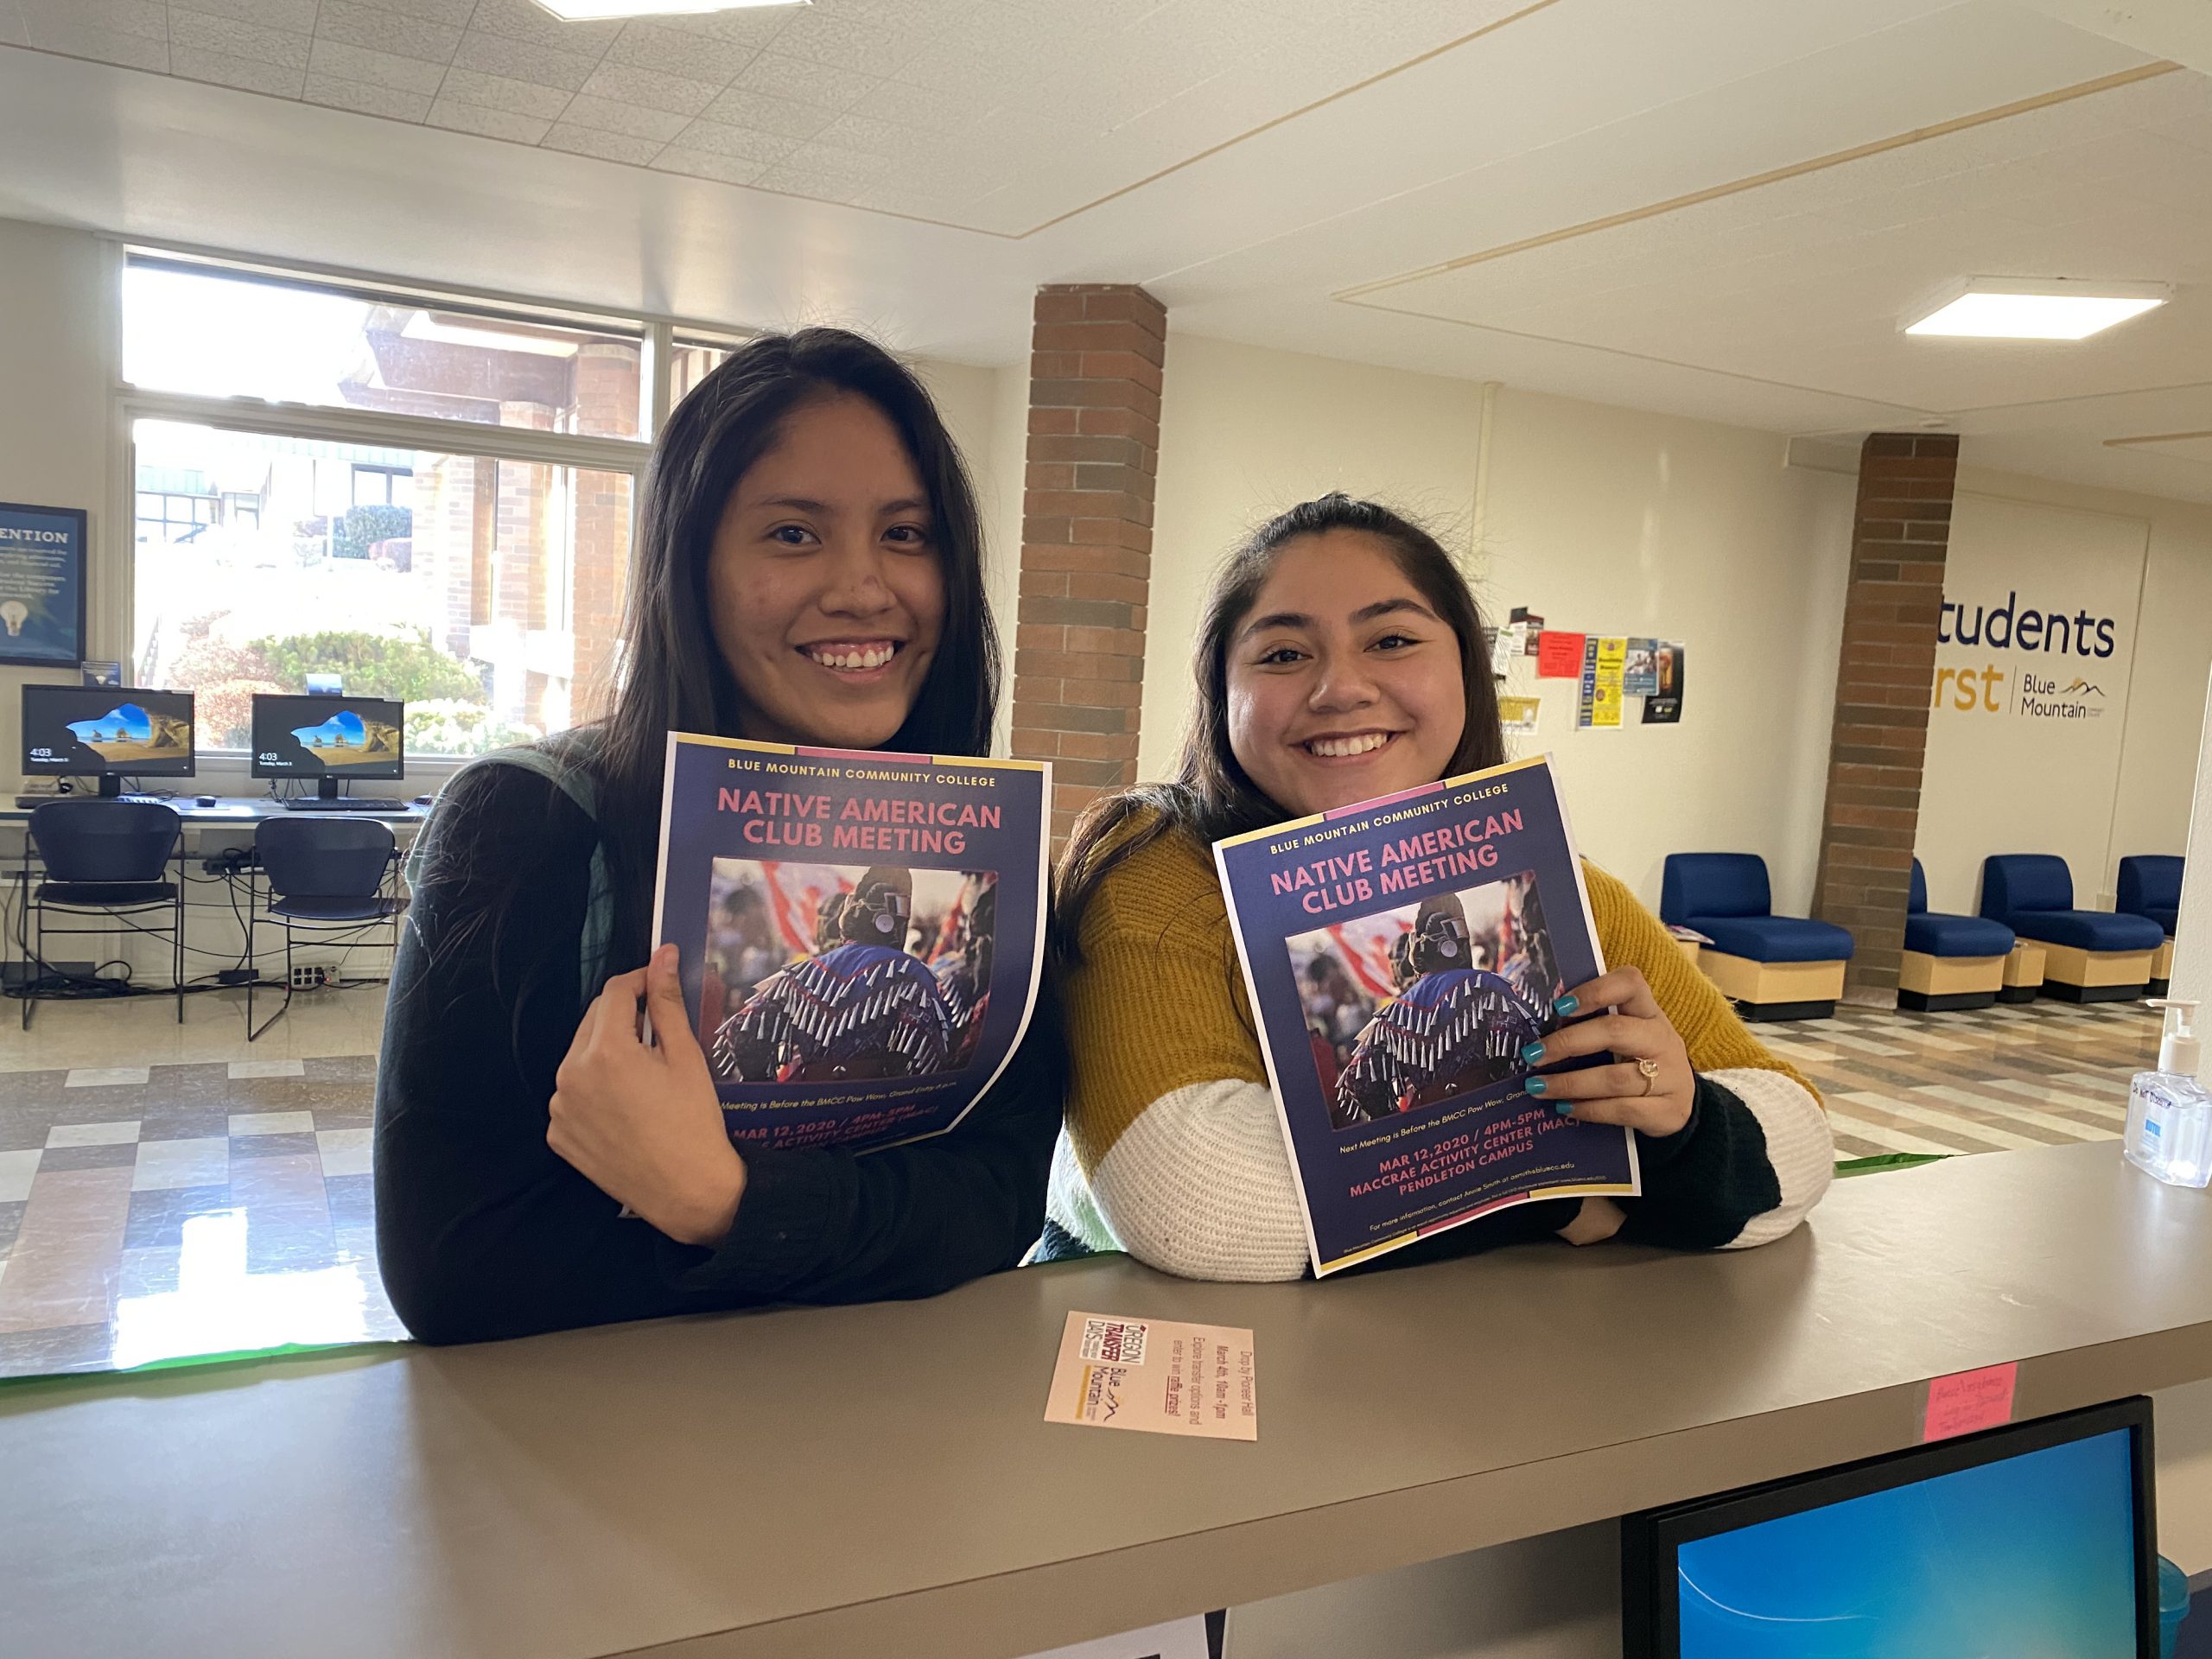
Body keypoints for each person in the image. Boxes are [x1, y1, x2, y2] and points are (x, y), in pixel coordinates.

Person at [374, 328, 1064, 1343]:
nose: (864, 588)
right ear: (688, 567)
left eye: (907, 535)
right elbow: (457, 1271)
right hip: (597, 1457)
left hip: (905, 1423)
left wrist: (722, 1203)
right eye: (793, 534)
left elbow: (994, 1204)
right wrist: (857, 1226)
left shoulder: (989, 852)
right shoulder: (522, 822)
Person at [1045, 493, 1831, 1281]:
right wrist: (1558, 1198)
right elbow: (1203, 1212)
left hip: (1496, 1359)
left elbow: (1794, 1156)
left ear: (1465, 668)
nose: (1341, 689)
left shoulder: (1563, 893)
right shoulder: (1154, 871)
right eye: (1283, 654)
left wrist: (1685, 1128)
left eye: (1391, 640)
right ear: (1222, 693)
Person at [709, 865, 959, 1083]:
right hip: (873, 1105)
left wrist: (764, 1085)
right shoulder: (909, 972)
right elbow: (930, 1055)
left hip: (804, 1103)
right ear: (892, 924)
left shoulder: (801, 971)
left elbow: (741, 1030)